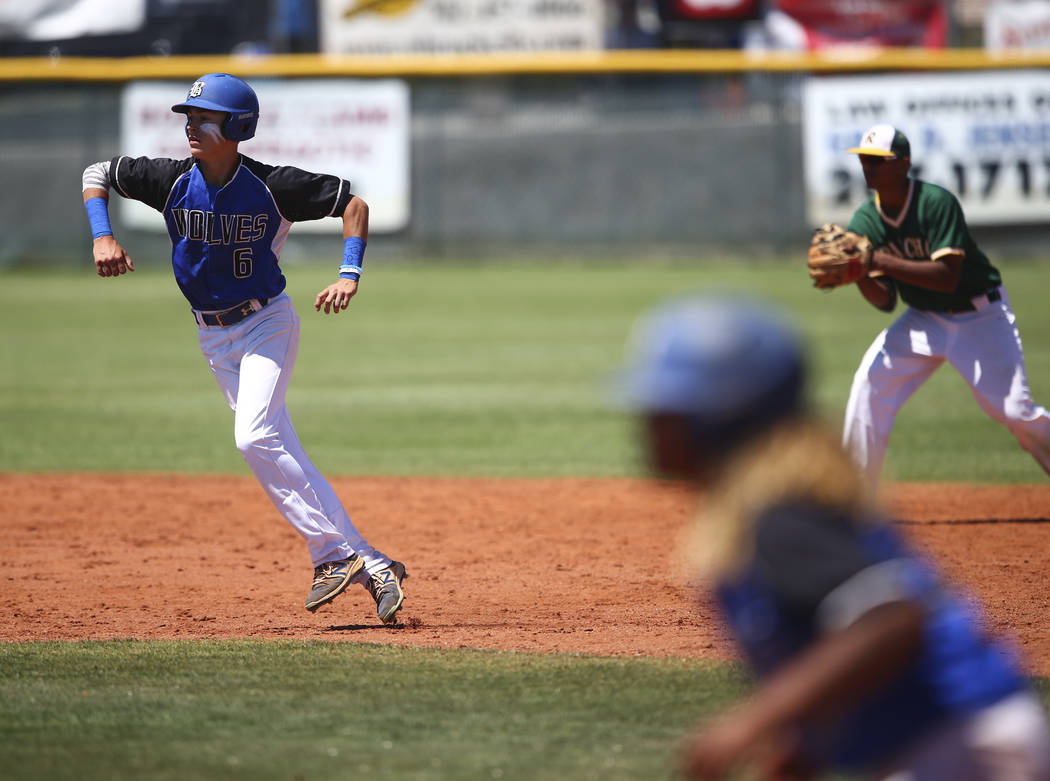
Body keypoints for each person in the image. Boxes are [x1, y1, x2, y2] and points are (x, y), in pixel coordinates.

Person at [615, 293, 1050, 780]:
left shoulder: (779, 515)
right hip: (952, 738)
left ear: (718, 418)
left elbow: (889, 618)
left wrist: (754, 721)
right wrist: (807, 744)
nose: (646, 424)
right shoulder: (766, 500)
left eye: (665, 409)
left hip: (965, 745)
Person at [81, 72, 407, 624]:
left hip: (265, 325)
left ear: (236, 127)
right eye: (188, 116)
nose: (190, 125)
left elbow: (354, 206)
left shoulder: (273, 185)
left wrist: (349, 273)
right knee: (283, 454)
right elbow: (96, 173)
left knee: (253, 435)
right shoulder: (169, 180)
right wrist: (101, 234)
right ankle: (372, 564)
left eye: (203, 117)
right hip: (212, 335)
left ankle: (331, 556)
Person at [838, 123, 1050, 485]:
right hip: (923, 320)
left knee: (1014, 412)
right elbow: (886, 300)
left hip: (981, 314)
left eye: (878, 160)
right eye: (864, 160)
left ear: (903, 163)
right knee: (869, 384)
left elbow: (946, 276)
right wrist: (859, 273)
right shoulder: (865, 221)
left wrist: (878, 261)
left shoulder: (935, 203)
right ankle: (850, 503)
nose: (868, 167)